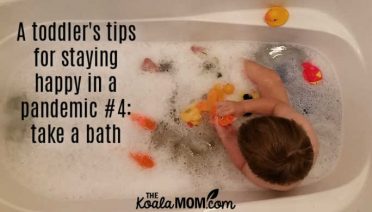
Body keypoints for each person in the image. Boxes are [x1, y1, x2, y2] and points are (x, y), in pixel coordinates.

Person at [214, 59, 319, 191]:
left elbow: (241, 164)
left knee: (268, 79)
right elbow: (275, 105)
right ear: (287, 122)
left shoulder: (258, 179)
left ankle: (219, 59)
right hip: (281, 112)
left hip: (280, 131)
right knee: (269, 78)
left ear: (252, 167)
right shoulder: (300, 124)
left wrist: (227, 135)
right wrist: (242, 106)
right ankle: (228, 58)